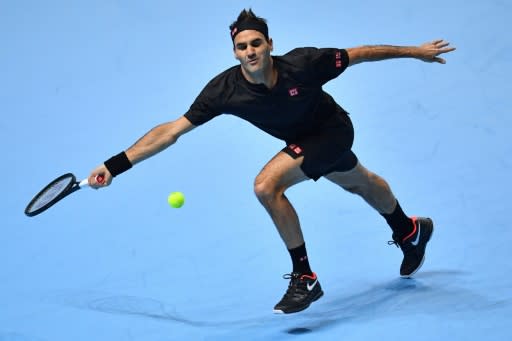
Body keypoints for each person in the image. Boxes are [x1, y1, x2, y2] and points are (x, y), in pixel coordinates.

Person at [88, 9, 455, 314]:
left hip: (333, 130)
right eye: (241, 46)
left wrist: (415, 51)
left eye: (256, 43)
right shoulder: (224, 90)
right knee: (360, 182)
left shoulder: (305, 63)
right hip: (303, 142)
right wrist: (115, 164)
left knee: (267, 186)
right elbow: (170, 131)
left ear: (269, 45)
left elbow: (358, 53)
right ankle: (410, 230)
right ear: (234, 52)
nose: (250, 51)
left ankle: (304, 278)